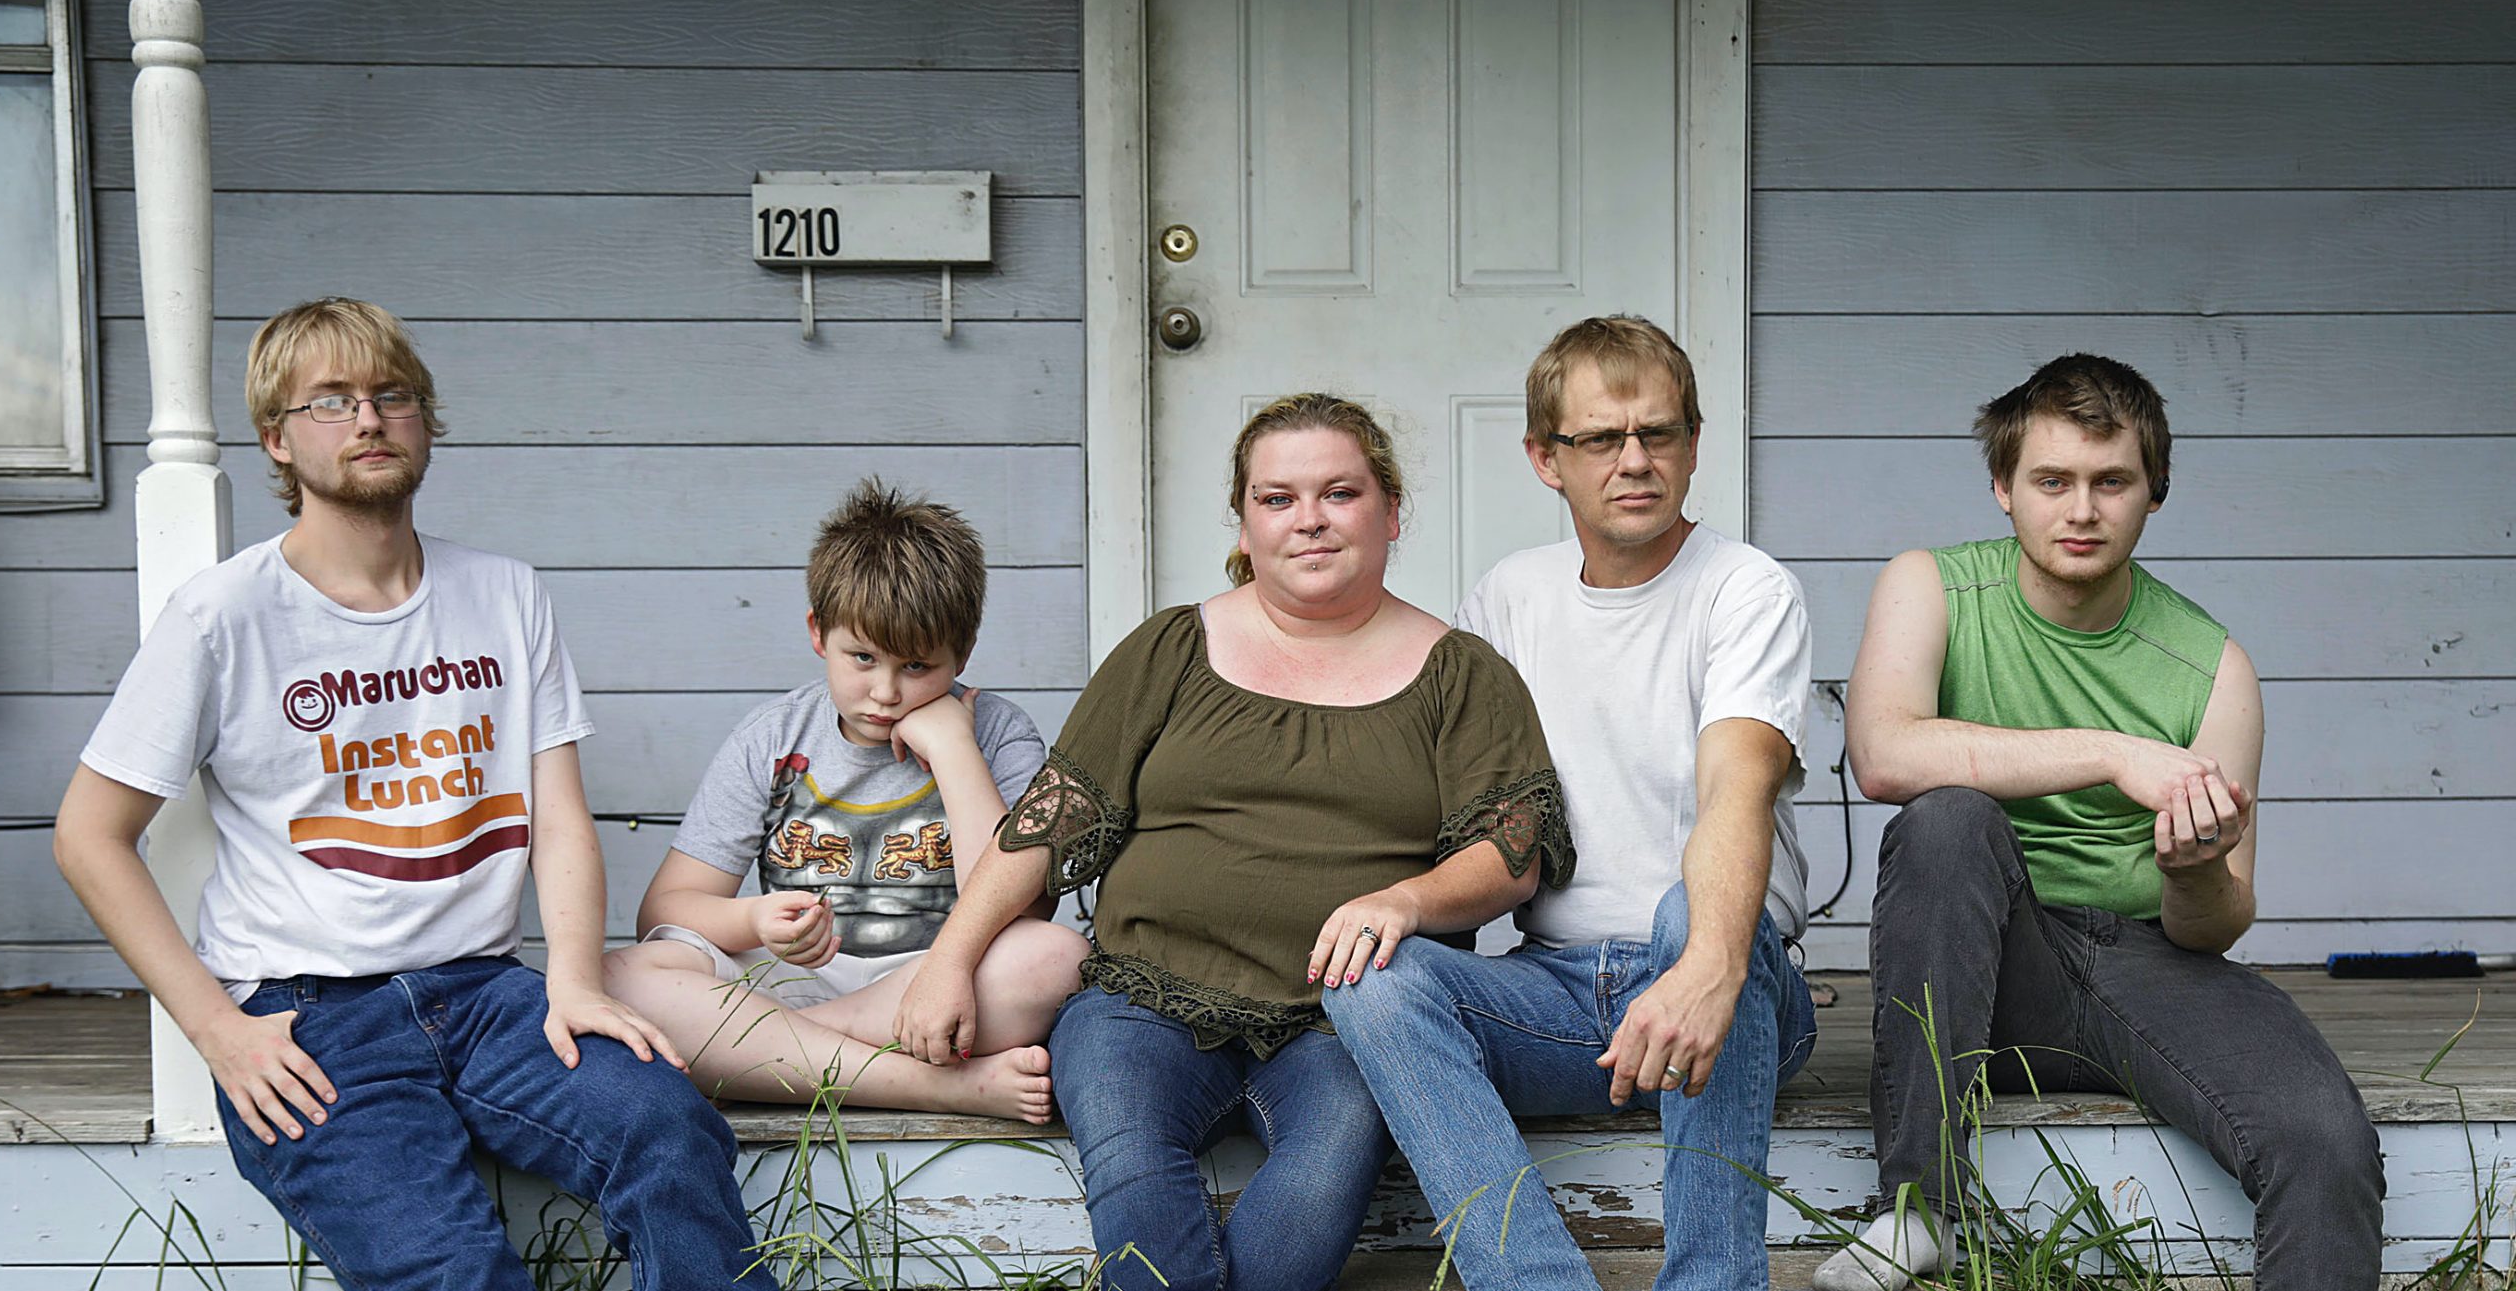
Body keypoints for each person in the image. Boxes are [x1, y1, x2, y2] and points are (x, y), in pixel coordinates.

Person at [51, 297, 774, 1290]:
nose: (368, 419)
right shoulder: (223, 616)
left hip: (485, 991)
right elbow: (89, 835)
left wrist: (571, 978)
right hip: (310, 1019)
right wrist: (216, 1028)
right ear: (276, 436)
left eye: (392, 395)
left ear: (424, 418)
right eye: (331, 401)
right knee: (451, 1274)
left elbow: (558, 820)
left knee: (668, 1128)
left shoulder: (505, 594)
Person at [892, 393, 1575, 1291]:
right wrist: (951, 958)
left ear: (1392, 510)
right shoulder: (1172, 649)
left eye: (1340, 492)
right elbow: (1053, 820)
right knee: (1131, 1151)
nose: (1310, 520)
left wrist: (1404, 900)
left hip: (1344, 1019)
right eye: (1278, 498)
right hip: (1145, 997)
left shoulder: (1462, 673)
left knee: (1316, 1201)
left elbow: (1513, 850)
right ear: (1245, 523)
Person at [1814, 354, 2382, 1290]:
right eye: (2053, 481)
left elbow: (2219, 923)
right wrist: (2117, 753)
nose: (2081, 510)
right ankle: (1915, 1214)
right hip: (1985, 966)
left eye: (2111, 481)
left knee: (2325, 1138)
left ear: (2153, 491)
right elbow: (1884, 753)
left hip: (2150, 964)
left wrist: (2196, 868)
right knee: (1948, 819)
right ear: (2003, 487)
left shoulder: (2213, 666)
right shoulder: (1934, 587)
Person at [1323, 316, 1820, 1291]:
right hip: (1557, 995)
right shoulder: (1508, 599)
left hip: (1732, 982)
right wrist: (1403, 902)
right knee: (1371, 972)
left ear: (1691, 444)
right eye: (1600, 438)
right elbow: (1464, 809)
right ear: (1545, 458)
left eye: (1660, 433)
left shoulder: (1743, 589)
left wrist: (1707, 966)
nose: (1634, 461)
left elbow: (1737, 783)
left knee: (1690, 916)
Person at [600, 479, 1087, 1121]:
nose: (885, 692)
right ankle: (930, 1085)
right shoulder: (775, 738)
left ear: (962, 651)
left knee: (1058, 959)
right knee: (618, 975)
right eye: (861, 657)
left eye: (917, 667)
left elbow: (1024, 902)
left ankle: (764, 1058)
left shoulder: (997, 732)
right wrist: (754, 922)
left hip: (935, 981)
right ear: (818, 633)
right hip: (790, 985)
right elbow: (663, 910)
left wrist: (954, 752)